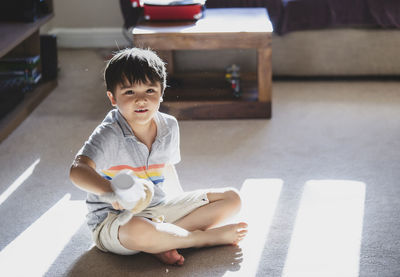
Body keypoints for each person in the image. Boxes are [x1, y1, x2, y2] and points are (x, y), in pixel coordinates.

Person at [69, 48, 248, 266]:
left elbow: (168, 171)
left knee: (232, 198)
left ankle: (163, 240)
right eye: (129, 93)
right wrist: (111, 192)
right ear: (112, 98)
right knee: (138, 230)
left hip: (157, 208)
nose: (141, 100)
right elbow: (77, 170)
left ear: (162, 92)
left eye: (150, 91)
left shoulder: (169, 126)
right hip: (115, 221)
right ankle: (199, 239)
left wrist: (180, 204)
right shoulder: (109, 133)